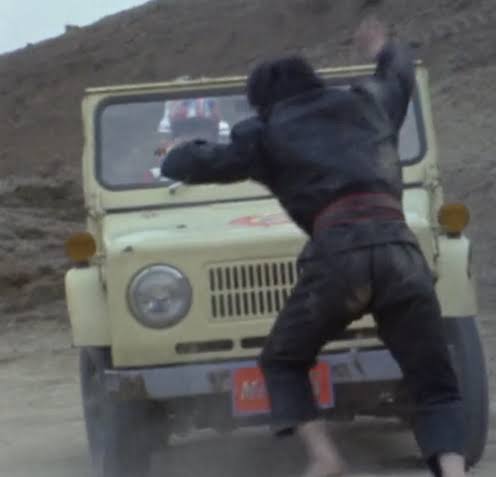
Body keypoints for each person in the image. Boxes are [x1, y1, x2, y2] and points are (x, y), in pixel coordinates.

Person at [160, 17, 467, 477]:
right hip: (400, 251)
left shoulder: (263, 132)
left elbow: (191, 164)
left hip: (338, 258)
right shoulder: (369, 103)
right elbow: (399, 71)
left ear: (261, 102)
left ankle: (325, 458)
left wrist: (179, 151)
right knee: (435, 384)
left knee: (283, 360)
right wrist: (381, 47)